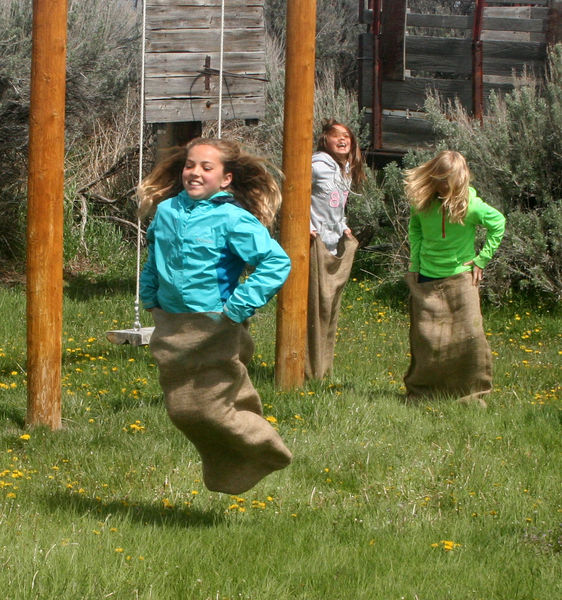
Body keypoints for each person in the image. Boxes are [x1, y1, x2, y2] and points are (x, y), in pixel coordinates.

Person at [138, 138, 292, 494]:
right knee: (182, 411)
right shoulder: (166, 211)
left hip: (215, 325)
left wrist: (237, 307)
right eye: (190, 165)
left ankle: (265, 447)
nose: (194, 173)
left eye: (207, 168)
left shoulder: (232, 218)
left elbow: (276, 262)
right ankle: (236, 461)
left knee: (210, 410)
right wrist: (150, 297)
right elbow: (153, 259)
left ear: (225, 179)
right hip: (173, 326)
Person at [403, 150, 506, 405]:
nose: (441, 184)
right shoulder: (423, 202)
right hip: (426, 276)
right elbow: (415, 229)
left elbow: (498, 223)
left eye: (447, 179)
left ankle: (471, 392)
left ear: (459, 179)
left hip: (461, 278)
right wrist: (415, 263)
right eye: (438, 178)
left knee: (470, 336)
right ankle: (424, 393)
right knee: (427, 339)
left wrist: (482, 259)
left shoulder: (471, 205)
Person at [306, 119, 366, 379]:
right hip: (312, 240)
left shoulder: (346, 170)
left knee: (329, 304)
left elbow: (337, 205)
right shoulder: (316, 165)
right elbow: (295, 191)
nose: (343, 141)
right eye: (336, 136)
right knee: (314, 303)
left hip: (332, 240)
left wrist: (343, 226)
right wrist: (304, 224)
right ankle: (306, 366)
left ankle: (321, 367)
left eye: (347, 137)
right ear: (325, 140)